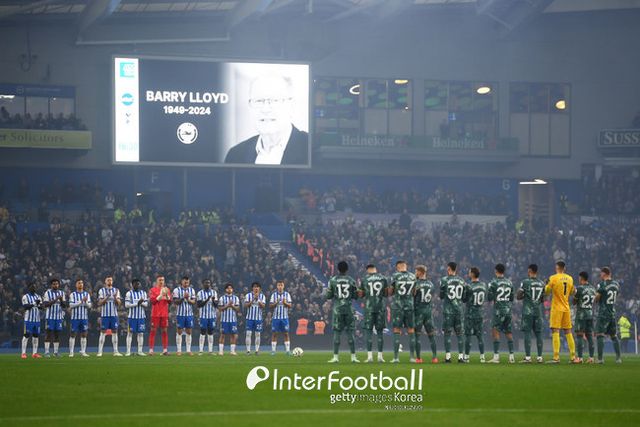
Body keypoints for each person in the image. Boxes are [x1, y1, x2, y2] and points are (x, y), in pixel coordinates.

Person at [224, 74, 308, 165]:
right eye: (258, 101)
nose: (265, 109)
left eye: (275, 100)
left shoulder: (310, 148)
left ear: (292, 106)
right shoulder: (235, 155)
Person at [544, 261, 577, 363]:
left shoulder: (553, 278)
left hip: (557, 308)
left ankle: (556, 357)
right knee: (568, 331)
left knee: (555, 331)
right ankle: (573, 357)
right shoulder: (570, 278)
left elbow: (547, 291)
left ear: (557, 267)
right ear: (564, 268)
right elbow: (573, 292)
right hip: (566, 308)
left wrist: (547, 284)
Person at [326, 261, 358, 363]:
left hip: (337, 310)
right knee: (350, 333)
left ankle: (335, 357)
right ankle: (353, 357)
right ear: (347, 269)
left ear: (338, 269)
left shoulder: (333, 280)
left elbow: (328, 296)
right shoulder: (351, 280)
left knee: (337, 333)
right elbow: (356, 296)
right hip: (348, 309)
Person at [357, 263, 388, 363]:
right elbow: (386, 294)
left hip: (369, 308)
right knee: (380, 333)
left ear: (367, 270)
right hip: (380, 308)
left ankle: (369, 356)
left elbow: (361, 295)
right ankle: (380, 356)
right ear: (375, 269)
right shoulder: (383, 278)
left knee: (369, 332)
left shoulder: (364, 279)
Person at [517, 264, 545, 363]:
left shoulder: (525, 282)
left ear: (529, 270)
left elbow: (518, 296)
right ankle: (540, 357)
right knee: (539, 333)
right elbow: (542, 299)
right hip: (538, 311)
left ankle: (528, 357)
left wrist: (524, 296)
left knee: (527, 333)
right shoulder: (542, 283)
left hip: (527, 311)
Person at [487, 263, 515, 364]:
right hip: (508, 310)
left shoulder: (493, 282)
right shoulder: (509, 282)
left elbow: (489, 298)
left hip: (498, 310)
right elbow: (512, 298)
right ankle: (511, 357)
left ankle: (496, 357)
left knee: (495, 331)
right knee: (508, 332)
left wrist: (491, 292)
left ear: (496, 271)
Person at [439, 261, 466, 363]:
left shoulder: (444, 280)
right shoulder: (462, 281)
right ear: (456, 269)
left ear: (449, 268)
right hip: (459, 310)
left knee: (447, 333)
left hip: (448, 311)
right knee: (460, 334)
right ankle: (460, 357)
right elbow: (464, 297)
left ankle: (448, 357)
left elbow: (441, 296)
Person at [595, 267, 622, 364]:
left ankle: (600, 359)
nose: (600, 275)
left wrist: (596, 298)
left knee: (600, 335)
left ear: (604, 273)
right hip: (612, 312)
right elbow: (616, 295)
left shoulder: (602, 284)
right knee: (614, 336)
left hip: (603, 312)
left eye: (601, 273)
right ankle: (618, 358)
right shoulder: (616, 284)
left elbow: (597, 298)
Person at [463, 267, 487, 363]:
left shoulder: (469, 286)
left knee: (468, 335)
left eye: (469, 272)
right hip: (480, 313)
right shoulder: (483, 285)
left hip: (470, 314)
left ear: (472, 274)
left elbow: (464, 299)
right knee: (480, 335)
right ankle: (482, 357)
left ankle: (467, 357)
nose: (468, 274)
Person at [414, 265, 438, 364]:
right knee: (431, 335)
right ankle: (435, 358)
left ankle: (419, 358)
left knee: (417, 335)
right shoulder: (431, 284)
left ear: (420, 272)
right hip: (428, 312)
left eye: (416, 271)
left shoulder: (416, 283)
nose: (415, 273)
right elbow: (432, 296)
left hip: (418, 312)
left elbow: (413, 296)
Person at [97, 275, 122, 357]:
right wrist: (107, 297)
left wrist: (115, 297)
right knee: (103, 332)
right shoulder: (102, 290)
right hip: (105, 315)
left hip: (114, 315)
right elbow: (100, 303)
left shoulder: (116, 290)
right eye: (108, 280)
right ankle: (100, 352)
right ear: (105, 281)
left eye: (111, 280)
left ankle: (116, 351)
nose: (109, 281)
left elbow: (119, 303)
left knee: (115, 332)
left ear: (112, 281)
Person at [574, 271, 596, 363]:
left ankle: (580, 358)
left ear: (581, 278)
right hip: (590, 314)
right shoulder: (593, 289)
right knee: (589, 335)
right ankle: (591, 357)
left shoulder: (579, 288)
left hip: (581, 314)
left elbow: (574, 302)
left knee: (579, 335)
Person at [173, 276, 196, 356]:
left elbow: (193, 302)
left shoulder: (192, 290)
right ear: (181, 282)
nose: (186, 283)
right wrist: (183, 298)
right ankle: (179, 350)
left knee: (189, 332)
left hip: (189, 314)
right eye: (185, 282)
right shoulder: (176, 290)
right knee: (179, 331)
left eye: (187, 282)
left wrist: (188, 299)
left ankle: (188, 350)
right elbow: (176, 302)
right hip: (180, 314)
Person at [124, 278, 148, 357]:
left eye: (138, 284)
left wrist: (141, 303)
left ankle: (140, 351)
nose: (137, 285)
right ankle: (128, 352)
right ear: (132, 285)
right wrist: (137, 303)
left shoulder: (143, 293)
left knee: (141, 333)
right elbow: (126, 305)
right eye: (136, 284)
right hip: (132, 317)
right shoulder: (129, 293)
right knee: (130, 334)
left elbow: (146, 304)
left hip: (141, 317)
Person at [149, 274, 171, 355]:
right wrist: (161, 295)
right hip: (155, 313)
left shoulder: (167, 290)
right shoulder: (153, 290)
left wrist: (167, 296)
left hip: (164, 313)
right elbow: (153, 302)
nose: (161, 281)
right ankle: (151, 350)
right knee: (153, 331)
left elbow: (170, 302)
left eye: (162, 280)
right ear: (156, 281)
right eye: (160, 280)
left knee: (164, 331)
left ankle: (165, 350)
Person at [68, 278, 92, 358]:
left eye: (81, 283)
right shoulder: (72, 294)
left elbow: (89, 306)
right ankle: (71, 352)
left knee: (84, 334)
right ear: (76, 285)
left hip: (84, 318)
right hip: (75, 318)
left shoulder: (86, 294)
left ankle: (83, 352)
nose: (81, 284)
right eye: (79, 283)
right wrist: (81, 301)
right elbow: (71, 305)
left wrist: (85, 302)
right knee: (73, 334)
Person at [43, 278, 65, 357]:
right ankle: (46, 352)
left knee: (57, 334)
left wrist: (61, 300)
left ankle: (55, 352)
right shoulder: (47, 293)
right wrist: (56, 299)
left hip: (58, 317)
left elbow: (64, 306)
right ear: (51, 285)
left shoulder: (62, 293)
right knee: (48, 334)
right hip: (50, 317)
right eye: (54, 284)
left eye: (57, 284)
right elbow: (45, 304)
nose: (56, 285)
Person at [270, 280, 293, 355]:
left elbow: (290, 305)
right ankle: (273, 351)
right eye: (279, 285)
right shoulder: (273, 295)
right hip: (275, 318)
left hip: (284, 318)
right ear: (277, 286)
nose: (280, 287)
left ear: (283, 286)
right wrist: (276, 303)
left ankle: (287, 351)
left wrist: (285, 303)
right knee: (274, 334)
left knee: (286, 333)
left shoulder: (287, 294)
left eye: (281, 285)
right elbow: (270, 306)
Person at [21, 282, 42, 359]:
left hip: (37, 320)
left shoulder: (38, 296)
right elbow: (26, 307)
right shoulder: (25, 297)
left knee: (36, 336)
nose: (34, 288)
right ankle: (23, 353)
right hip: (28, 320)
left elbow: (41, 307)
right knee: (26, 335)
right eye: (32, 287)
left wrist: (40, 305)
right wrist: (34, 303)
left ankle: (34, 353)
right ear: (29, 288)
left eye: (35, 287)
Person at [196, 279, 218, 355]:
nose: (207, 284)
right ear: (203, 284)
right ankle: (201, 350)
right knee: (202, 332)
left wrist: (213, 301)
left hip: (212, 316)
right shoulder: (200, 293)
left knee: (210, 332)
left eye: (209, 283)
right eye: (206, 283)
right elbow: (199, 305)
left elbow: (216, 305)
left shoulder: (214, 292)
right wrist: (207, 299)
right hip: (203, 316)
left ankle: (210, 351)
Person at [218, 283, 241, 355]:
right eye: (228, 288)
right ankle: (221, 351)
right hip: (224, 320)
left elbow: (237, 309)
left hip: (233, 320)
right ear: (225, 289)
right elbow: (220, 308)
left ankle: (232, 351)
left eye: (231, 288)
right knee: (222, 335)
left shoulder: (236, 298)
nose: (229, 289)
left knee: (233, 335)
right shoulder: (222, 298)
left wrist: (232, 305)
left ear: (232, 289)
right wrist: (228, 305)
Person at [244, 282, 266, 355]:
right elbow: (246, 305)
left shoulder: (262, 296)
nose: (256, 288)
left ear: (259, 288)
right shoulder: (248, 295)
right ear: (252, 288)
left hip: (258, 318)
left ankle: (256, 350)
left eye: (257, 287)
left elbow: (263, 306)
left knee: (258, 334)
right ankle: (248, 350)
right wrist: (253, 299)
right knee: (248, 334)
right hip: (249, 318)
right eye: (254, 287)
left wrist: (258, 300)